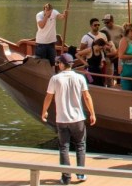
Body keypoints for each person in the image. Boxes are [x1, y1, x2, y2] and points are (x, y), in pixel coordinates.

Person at [41, 53, 96, 185]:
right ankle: (81, 174)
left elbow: (49, 97)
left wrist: (44, 111)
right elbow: (87, 97)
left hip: (62, 118)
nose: (58, 65)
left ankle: (66, 177)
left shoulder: (55, 79)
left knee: (64, 147)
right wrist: (92, 113)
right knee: (81, 145)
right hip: (78, 118)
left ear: (61, 64)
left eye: (58, 63)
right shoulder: (80, 78)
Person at [118, 23, 132, 91]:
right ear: (130, 31)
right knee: (127, 88)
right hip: (126, 69)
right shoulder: (124, 40)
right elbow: (120, 56)